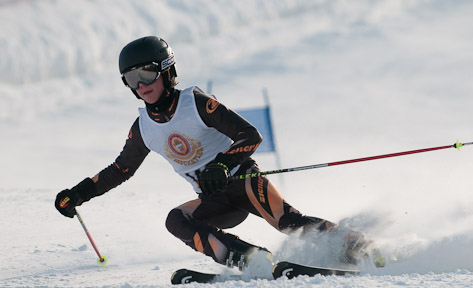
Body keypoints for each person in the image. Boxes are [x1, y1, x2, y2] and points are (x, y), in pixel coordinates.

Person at [55, 36, 369, 270]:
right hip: (215, 200)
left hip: (244, 181)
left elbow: (250, 135)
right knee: (176, 220)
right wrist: (79, 193)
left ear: (166, 70)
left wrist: (222, 164)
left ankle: (352, 244)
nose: (141, 85)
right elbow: (120, 170)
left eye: (147, 74)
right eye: (132, 79)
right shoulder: (144, 128)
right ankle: (250, 259)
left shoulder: (196, 103)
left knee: (288, 222)